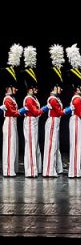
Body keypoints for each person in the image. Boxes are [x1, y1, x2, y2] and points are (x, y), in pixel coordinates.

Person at [41, 45, 66, 178]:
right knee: (51, 145)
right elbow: (59, 112)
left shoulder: (55, 98)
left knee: (55, 146)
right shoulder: (52, 99)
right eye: (59, 87)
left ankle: (56, 168)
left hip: (55, 122)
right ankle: (48, 171)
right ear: (55, 87)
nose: (61, 89)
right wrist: (69, 109)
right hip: (52, 122)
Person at [64, 44, 81, 178]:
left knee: (79, 146)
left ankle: (77, 170)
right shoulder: (77, 99)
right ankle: (74, 171)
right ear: (78, 87)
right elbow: (80, 113)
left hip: (79, 121)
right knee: (76, 146)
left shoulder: (79, 97)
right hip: (76, 120)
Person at [20, 46, 43, 178]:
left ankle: (37, 169)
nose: (36, 90)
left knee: (35, 145)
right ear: (31, 88)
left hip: (34, 122)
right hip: (30, 121)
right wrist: (43, 109)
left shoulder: (33, 97)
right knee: (30, 145)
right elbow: (34, 112)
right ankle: (31, 171)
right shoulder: (28, 99)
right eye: (34, 87)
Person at [3, 44, 23, 177]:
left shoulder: (11, 98)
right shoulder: (7, 99)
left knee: (13, 145)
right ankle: (8, 170)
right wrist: (23, 110)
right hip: (9, 121)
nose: (16, 89)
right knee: (9, 146)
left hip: (13, 122)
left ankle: (12, 169)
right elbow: (13, 112)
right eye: (14, 87)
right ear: (9, 87)